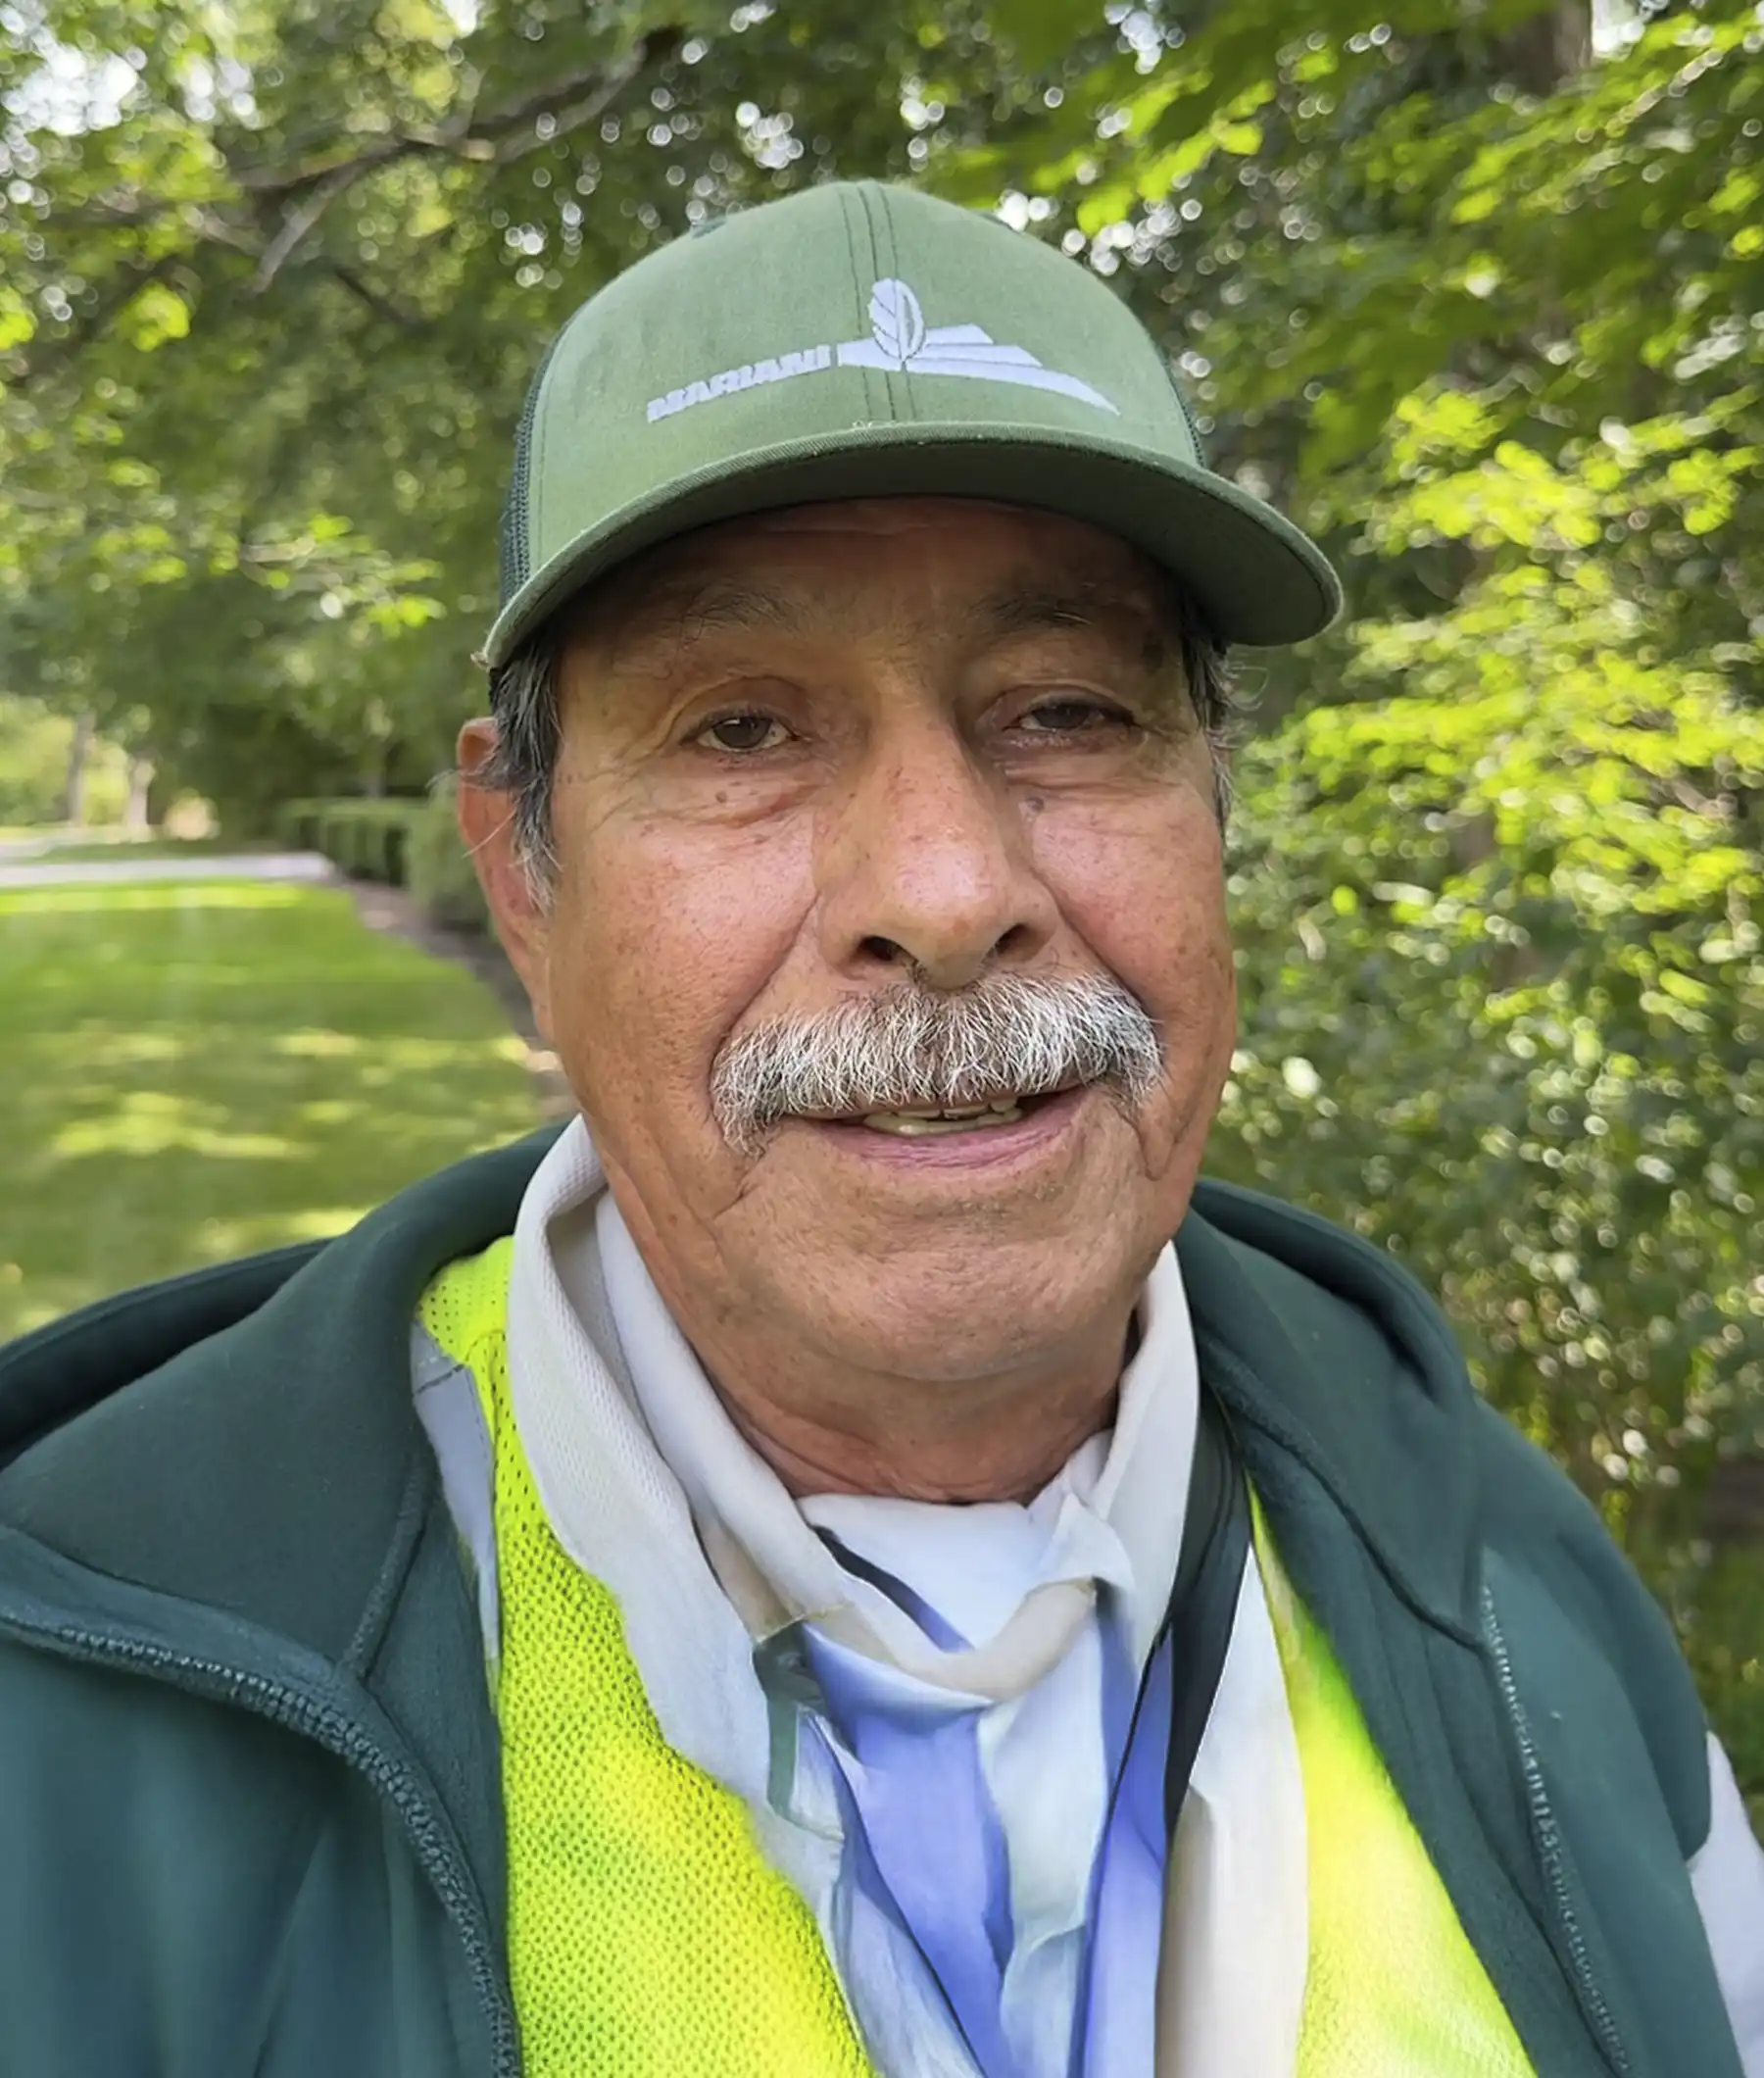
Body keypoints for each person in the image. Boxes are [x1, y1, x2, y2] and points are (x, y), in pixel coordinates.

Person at [0, 179, 1758, 2078]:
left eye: (1070, 710)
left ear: (1213, 813)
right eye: (741, 730)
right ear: (524, 866)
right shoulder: (87, 1695)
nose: (941, 885)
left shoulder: (1507, 1575)